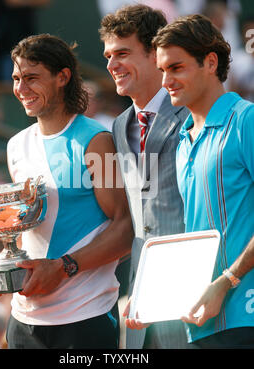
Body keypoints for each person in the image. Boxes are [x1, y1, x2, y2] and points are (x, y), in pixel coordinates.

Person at [0, 33, 133, 349]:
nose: (21, 89)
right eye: (16, 79)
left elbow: (124, 229)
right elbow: (29, 230)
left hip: (85, 317)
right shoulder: (16, 145)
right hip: (23, 321)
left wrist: (65, 267)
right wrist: (7, 261)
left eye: (32, 78)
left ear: (62, 77)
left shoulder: (96, 141)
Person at [153, 13, 254, 348]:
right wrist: (155, 302)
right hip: (200, 323)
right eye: (162, 71)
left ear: (211, 63)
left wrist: (227, 281)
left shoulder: (247, 121)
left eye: (176, 67)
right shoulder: (183, 141)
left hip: (246, 319)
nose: (165, 80)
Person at [99, 4, 190, 349]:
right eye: (108, 56)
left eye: (122, 53)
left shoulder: (195, 111)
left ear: (156, 54)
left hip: (195, 298)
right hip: (143, 305)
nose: (111, 65)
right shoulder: (120, 126)